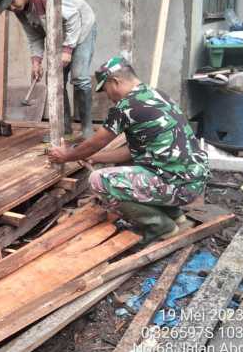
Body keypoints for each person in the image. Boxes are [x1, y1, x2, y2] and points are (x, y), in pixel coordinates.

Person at [48, 57, 209, 243]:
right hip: (193, 181)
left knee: (99, 181)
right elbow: (131, 152)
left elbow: (95, 142)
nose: (107, 95)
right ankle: (176, 217)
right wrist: (95, 157)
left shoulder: (126, 107)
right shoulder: (158, 95)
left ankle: (161, 227)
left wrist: (66, 155)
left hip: (177, 185)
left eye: (105, 89)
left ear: (114, 82)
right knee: (144, 171)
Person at [0, 0, 97, 141]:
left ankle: (87, 130)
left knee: (79, 77)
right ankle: (64, 130)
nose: (12, 8)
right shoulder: (19, 10)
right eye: (7, 7)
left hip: (82, 26)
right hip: (60, 36)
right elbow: (35, 37)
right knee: (55, 80)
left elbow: (73, 17)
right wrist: (36, 62)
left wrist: (68, 49)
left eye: (12, 2)